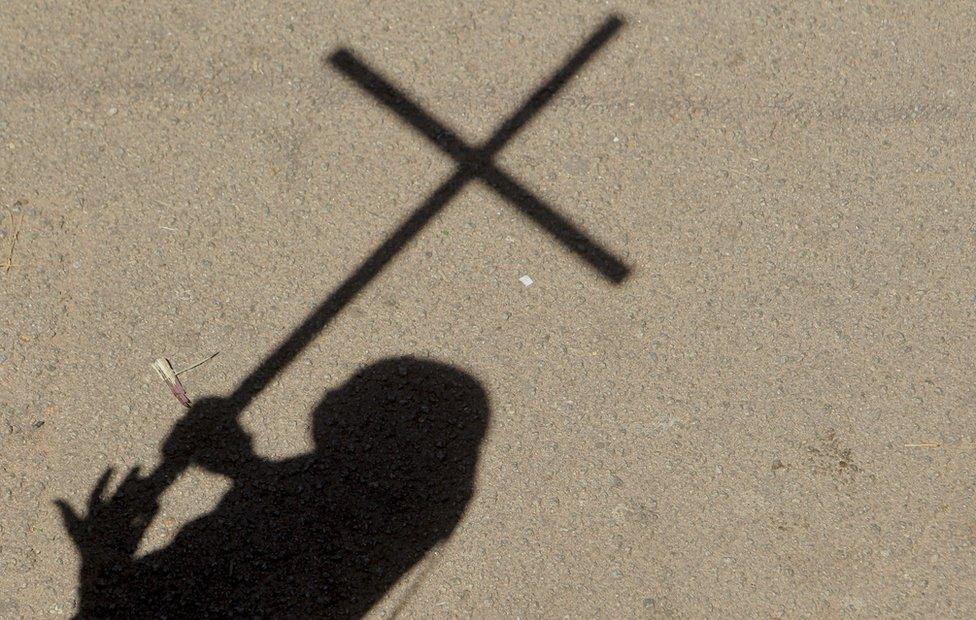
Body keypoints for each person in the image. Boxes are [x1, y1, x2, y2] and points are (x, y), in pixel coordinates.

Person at [57, 357, 491, 618]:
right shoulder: (391, 526)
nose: (329, 391)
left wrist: (102, 560)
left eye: (345, 391)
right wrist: (244, 467)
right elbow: (311, 523)